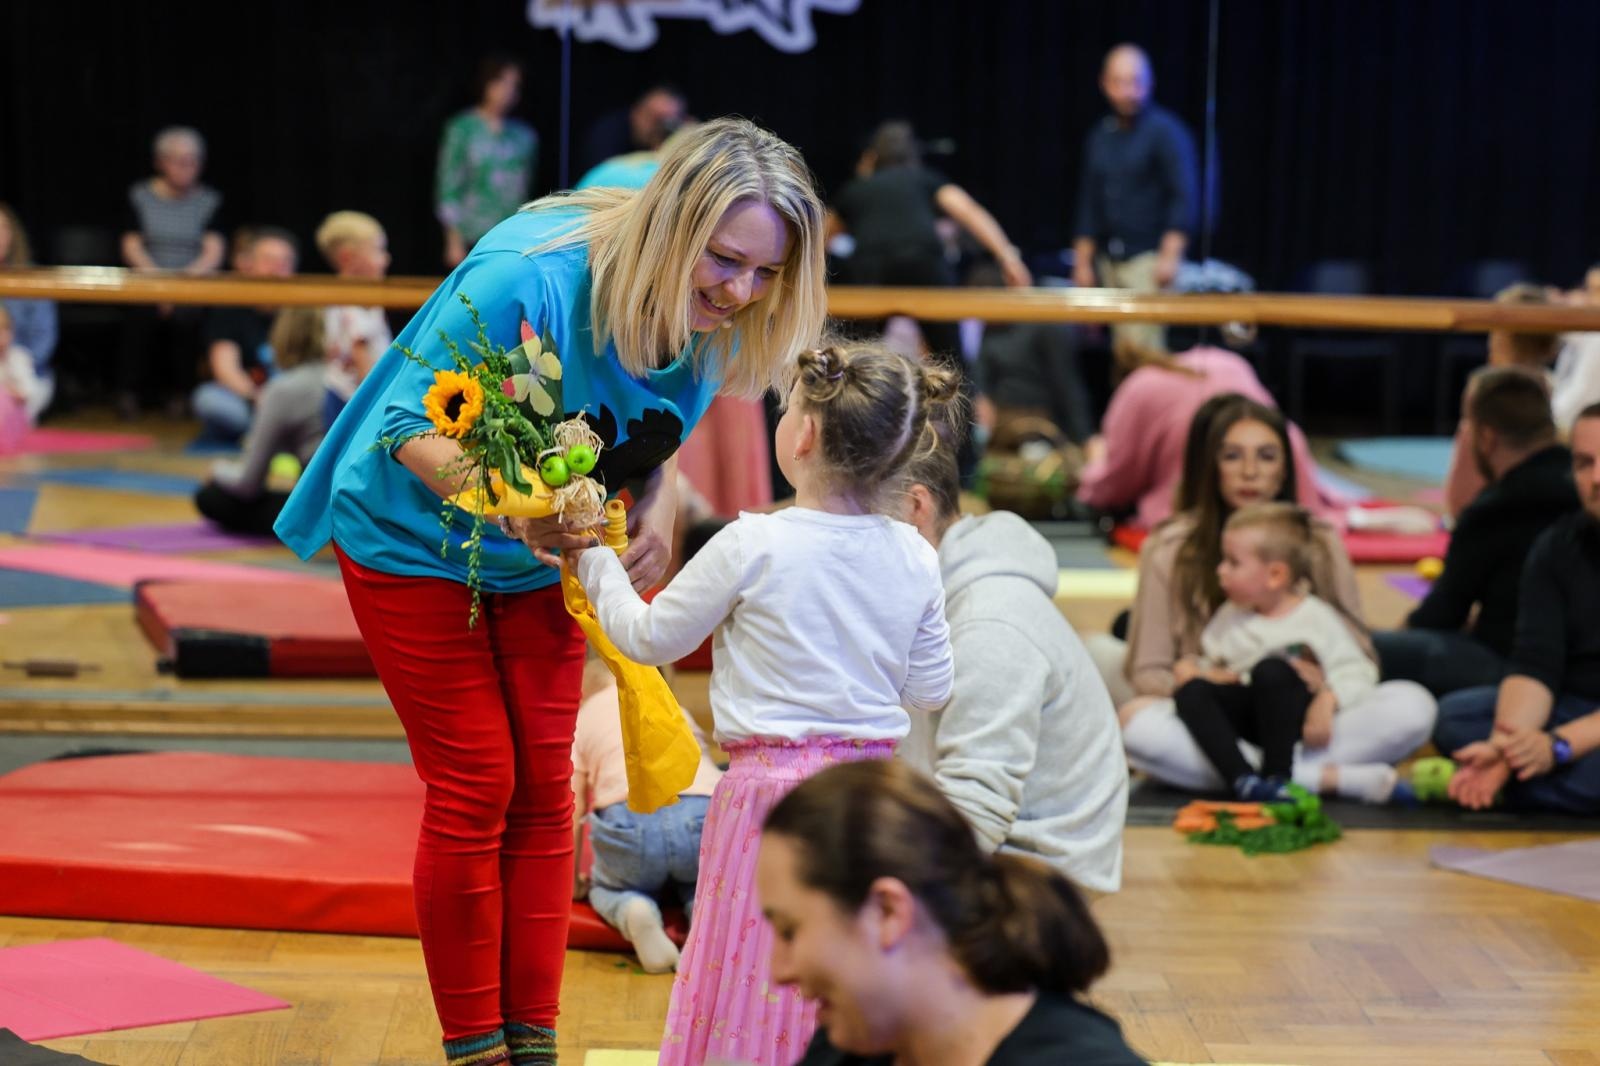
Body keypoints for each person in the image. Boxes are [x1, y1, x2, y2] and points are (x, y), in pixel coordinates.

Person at [274, 118, 829, 1066]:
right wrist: (509, 509)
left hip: (549, 554)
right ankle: (474, 1048)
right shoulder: (527, 276)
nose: (739, 291)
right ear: (671, 226)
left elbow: (638, 441)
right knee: (475, 779)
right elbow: (406, 422)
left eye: (766, 274)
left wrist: (651, 512)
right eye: (724, 260)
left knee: (542, 785)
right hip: (411, 541)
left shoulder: (705, 325)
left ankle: (534, 1042)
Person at [569, 342, 957, 1066]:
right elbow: (931, 690)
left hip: (766, 797)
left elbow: (648, 637)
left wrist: (591, 556)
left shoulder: (754, 541)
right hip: (874, 796)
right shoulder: (915, 554)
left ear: (802, 433)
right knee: (850, 969)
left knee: (754, 969)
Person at [1093, 398, 1436, 797]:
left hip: (1303, 721)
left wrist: (1326, 691)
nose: (1250, 472)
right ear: (1210, 467)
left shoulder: (1319, 542)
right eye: (1233, 456)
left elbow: (1359, 656)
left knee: (1414, 705)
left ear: (1285, 468)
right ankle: (1319, 779)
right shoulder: (1172, 547)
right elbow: (1151, 672)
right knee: (1135, 721)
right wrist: (1204, 677)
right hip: (1216, 717)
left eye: (1267, 456)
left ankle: (1248, 776)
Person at [759, 760, 1147, 1066]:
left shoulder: (1074, 1058)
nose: (780, 970)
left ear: (888, 912)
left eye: (790, 931)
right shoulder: (855, 1041)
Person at [898, 424, 1128, 893]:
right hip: (979, 847)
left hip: (1029, 885)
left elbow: (975, 814)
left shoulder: (991, 624)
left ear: (913, 509)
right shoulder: (927, 588)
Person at [1175, 503, 1404, 803]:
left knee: (1273, 671)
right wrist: (1200, 672)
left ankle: (1279, 775)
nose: (1221, 571)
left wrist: (1327, 698)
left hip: (1296, 723)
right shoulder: (1230, 616)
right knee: (1190, 692)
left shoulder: (1315, 617)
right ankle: (1243, 779)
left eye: (1232, 562)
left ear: (1275, 575)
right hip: (1247, 720)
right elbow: (1211, 661)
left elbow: (1358, 670)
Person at [1435, 402, 1600, 814]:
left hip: (1576, 731)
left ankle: (1535, 782)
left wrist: (1559, 747)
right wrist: (1507, 744)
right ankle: (1520, 776)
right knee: (1456, 717)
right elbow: (1534, 663)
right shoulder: (1557, 546)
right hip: (1575, 704)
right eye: (1583, 463)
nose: (1597, 478)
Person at [1373, 367, 1575, 696]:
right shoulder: (1580, 483)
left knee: (1364, 650)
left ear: (1485, 437)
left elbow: (1442, 614)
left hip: (1520, 666)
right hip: (1576, 660)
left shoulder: (1497, 507)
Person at [830, 121, 1032, 364]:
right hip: (922, 261)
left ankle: (848, 396)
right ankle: (961, 399)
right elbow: (969, 211)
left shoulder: (857, 189)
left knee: (856, 359)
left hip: (872, 267)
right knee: (951, 360)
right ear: (912, 155)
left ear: (872, 157)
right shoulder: (923, 178)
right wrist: (1008, 257)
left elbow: (820, 236)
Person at [1076, 343, 1337, 529]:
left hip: (1275, 488)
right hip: (1289, 468)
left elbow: (1115, 478)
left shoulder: (1138, 385)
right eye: (1232, 456)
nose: (1250, 472)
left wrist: (1094, 463)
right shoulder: (1228, 361)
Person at [570, 656, 721, 974]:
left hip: (630, 823)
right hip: (699, 815)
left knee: (607, 888)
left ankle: (630, 908)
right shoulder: (672, 707)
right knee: (701, 883)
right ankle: (703, 916)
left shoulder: (582, 719)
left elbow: (574, 807)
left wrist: (573, 885)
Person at [1072, 44, 1200, 351]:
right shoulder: (1100, 135)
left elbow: (1184, 198)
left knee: (1142, 351)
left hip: (1149, 260)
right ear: (1104, 83)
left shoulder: (1167, 132)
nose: (1128, 91)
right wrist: (1082, 263)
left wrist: (1169, 257)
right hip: (1108, 260)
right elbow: (1088, 204)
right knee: (1118, 352)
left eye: (1135, 82)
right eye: (1120, 82)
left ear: (1149, 83)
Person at [116, 126, 225, 417]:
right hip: (149, 279)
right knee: (141, 316)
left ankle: (182, 394)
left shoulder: (209, 200)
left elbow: (213, 250)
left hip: (192, 281)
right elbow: (131, 245)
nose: (187, 168)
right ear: (161, 162)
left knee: (187, 318)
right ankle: (130, 393)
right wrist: (159, 285)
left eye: (193, 161)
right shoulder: (139, 196)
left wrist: (181, 287)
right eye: (179, 160)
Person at [193, 308, 327, 535]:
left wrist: (217, 470)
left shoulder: (284, 389)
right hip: (367, 501)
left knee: (212, 497)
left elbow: (248, 483)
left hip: (328, 510)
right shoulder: (342, 375)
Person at [1443, 283, 1564, 517]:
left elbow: (1459, 504)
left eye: (1494, 332)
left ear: (1504, 338)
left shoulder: (1486, 398)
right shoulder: (1555, 390)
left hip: (1492, 516)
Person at [191, 227, 298, 442]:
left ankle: (269, 434)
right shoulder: (229, 307)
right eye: (269, 260)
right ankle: (268, 434)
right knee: (208, 400)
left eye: (285, 262)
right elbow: (225, 368)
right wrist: (257, 397)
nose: (277, 269)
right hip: (249, 401)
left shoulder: (302, 311)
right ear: (249, 265)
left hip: (291, 402)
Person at [437, 55, 539, 267]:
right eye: (501, 81)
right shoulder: (463, 129)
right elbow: (449, 186)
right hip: (471, 234)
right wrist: (453, 241)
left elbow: (526, 189)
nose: (507, 90)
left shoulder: (524, 136)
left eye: (514, 84)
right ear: (486, 83)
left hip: (510, 236)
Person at [314, 210, 393, 426]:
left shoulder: (363, 297)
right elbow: (361, 355)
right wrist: (379, 402)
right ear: (347, 257)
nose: (386, 259)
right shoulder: (351, 302)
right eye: (378, 251)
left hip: (350, 394)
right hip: (352, 397)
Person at [0, 203, 58, 418]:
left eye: (4, 228)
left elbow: (44, 340)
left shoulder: (32, 280)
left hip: (23, 371)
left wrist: (12, 363)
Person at [577, 84, 688, 177]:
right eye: (654, 119)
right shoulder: (607, 136)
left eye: (671, 123)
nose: (660, 129)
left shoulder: (682, 138)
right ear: (636, 113)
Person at [1552, 265, 1600, 434]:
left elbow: (1570, 409)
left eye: (1598, 291)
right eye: (1589, 290)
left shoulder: (1596, 341)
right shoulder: (1581, 339)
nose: (1591, 299)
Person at [0, 304, 47, 453]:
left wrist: (12, 393)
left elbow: (29, 390)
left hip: (14, 415)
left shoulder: (18, 357)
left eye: (4, 330)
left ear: (12, 332)